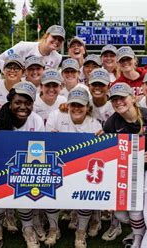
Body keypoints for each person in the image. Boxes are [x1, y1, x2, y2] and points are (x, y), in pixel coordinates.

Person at [103, 83, 147, 248]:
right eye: (114, 100)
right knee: (122, 214)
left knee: (146, 209)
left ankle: (139, 237)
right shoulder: (111, 124)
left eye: (122, 98)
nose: (118, 102)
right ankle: (139, 230)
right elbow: (111, 158)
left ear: (133, 98)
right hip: (127, 174)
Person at [46, 87, 103, 248]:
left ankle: (81, 231)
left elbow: (99, 152)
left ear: (88, 107)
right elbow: (47, 141)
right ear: (67, 105)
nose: (76, 108)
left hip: (82, 167)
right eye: (73, 104)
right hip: (58, 164)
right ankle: (53, 228)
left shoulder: (94, 124)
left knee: (87, 191)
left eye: (81, 105)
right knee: (49, 188)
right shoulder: (57, 115)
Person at [0, 81, 45, 248]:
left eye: (28, 103)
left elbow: (39, 150)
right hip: (1, 166)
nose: (23, 107)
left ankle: (27, 228)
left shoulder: (36, 120)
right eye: (18, 102)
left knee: (26, 188)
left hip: (26, 165)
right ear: (9, 104)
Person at [0, 25, 64, 70]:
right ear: (46, 36)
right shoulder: (23, 46)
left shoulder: (57, 57)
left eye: (60, 40)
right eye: (54, 37)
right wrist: (9, 76)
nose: (57, 41)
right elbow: (0, 59)